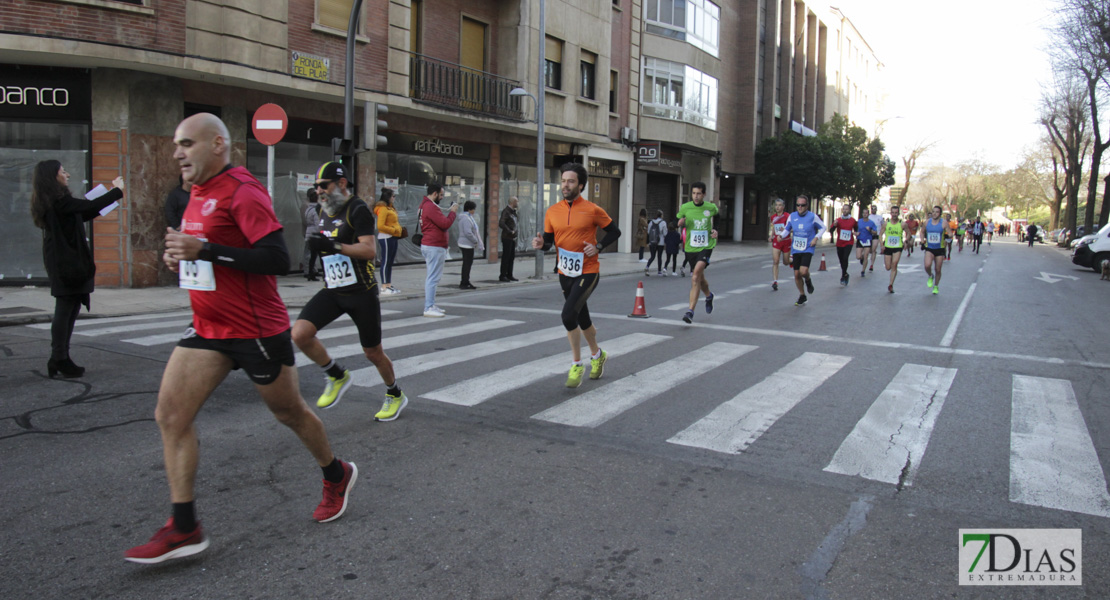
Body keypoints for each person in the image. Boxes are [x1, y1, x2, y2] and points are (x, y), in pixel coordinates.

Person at [126, 113, 355, 564]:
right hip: (208, 328)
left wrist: (207, 251)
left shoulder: (243, 190)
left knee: (289, 412)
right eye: (175, 144)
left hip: (256, 329)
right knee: (170, 416)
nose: (177, 153)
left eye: (186, 144)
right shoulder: (197, 192)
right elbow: (204, 250)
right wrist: (184, 257)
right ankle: (185, 527)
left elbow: (275, 258)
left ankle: (336, 473)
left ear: (217, 145)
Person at [294, 161, 407, 422]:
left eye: (324, 185)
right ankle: (336, 374)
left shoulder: (358, 210)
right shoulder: (325, 209)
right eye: (316, 186)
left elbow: (369, 251)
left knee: (373, 353)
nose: (318, 190)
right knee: (300, 334)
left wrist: (333, 246)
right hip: (333, 290)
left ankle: (395, 393)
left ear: (341, 184)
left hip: (361, 293)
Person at [30, 160, 125, 378]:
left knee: (70, 307)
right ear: (53, 177)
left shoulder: (58, 202)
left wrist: (108, 199)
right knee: (65, 309)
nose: (67, 175)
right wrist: (116, 191)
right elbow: (84, 208)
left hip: (66, 260)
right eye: (63, 171)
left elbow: (82, 214)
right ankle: (59, 358)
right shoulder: (56, 201)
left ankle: (61, 357)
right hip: (65, 262)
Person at [531, 163, 620, 388]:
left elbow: (614, 231)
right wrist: (541, 245)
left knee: (568, 316)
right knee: (582, 318)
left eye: (570, 181)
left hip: (588, 271)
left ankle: (577, 363)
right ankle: (597, 355)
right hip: (565, 272)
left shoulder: (592, 209)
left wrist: (598, 246)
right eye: (563, 181)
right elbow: (549, 242)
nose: (565, 185)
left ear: (580, 185)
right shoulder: (552, 211)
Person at [677, 183, 719, 323]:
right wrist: (679, 223)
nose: (696, 196)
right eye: (694, 193)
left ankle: (690, 311)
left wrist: (715, 229)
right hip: (690, 247)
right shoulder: (685, 207)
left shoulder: (710, 207)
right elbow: (675, 220)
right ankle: (708, 295)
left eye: (699, 193)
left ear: (704, 194)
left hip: (706, 245)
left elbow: (717, 216)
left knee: (695, 276)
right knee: (700, 278)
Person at [418, 183, 458, 318]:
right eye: (441, 195)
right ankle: (428, 307)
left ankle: (431, 304)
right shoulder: (430, 206)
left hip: (432, 245)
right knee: (433, 278)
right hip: (434, 245)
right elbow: (445, 223)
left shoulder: (425, 205)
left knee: (433, 277)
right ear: (434, 193)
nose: (441, 197)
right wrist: (453, 212)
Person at [779, 195, 826, 306]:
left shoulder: (812, 217)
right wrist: (781, 236)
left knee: (803, 271)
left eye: (802, 205)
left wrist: (816, 238)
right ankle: (802, 295)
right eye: (798, 205)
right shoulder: (792, 216)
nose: (800, 207)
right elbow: (787, 229)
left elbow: (823, 227)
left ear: (807, 206)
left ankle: (808, 280)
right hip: (796, 248)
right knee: (797, 275)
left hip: (808, 247)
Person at [374, 187, 402, 294]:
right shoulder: (383, 209)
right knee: (385, 262)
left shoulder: (391, 208)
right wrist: (393, 230)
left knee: (390, 262)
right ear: (388, 197)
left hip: (392, 236)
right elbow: (380, 225)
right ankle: (384, 286)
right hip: (386, 237)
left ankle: (388, 284)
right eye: (393, 196)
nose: (394, 198)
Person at [457, 200, 484, 289]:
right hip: (466, 244)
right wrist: (475, 240)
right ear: (469, 209)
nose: (474, 211)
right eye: (473, 209)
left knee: (467, 263)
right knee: (467, 263)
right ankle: (464, 282)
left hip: (466, 243)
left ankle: (466, 281)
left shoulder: (467, 217)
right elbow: (468, 232)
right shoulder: (466, 218)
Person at [920, 205, 947, 295]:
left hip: (939, 248)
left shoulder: (944, 223)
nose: (934, 213)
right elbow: (922, 231)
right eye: (933, 211)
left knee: (938, 269)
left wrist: (949, 236)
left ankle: (936, 286)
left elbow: (950, 233)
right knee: (927, 265)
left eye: (937, 212)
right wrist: (922, 240)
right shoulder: (927, 222)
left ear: (940, 214)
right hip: (929, 248)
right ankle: (930, 276)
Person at [831, 203, 857, 285]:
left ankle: (843, 275)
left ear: (849, 210)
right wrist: (834, 226)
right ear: (842, 210)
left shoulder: (853, 220)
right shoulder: (838, 220)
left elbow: (856, 228)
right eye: (844, 209)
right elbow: (830, 230)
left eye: (847, 209)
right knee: (841, 260)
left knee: (845, 258)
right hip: (839, 243)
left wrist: (856, 233)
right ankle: (845, 273)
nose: (845, 210)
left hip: (849, 242)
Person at [769, 198, 793, 290]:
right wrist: (771, 235)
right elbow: (774, 227)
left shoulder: (787, 216)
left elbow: (792, 229)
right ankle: (775, 281)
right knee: (775, 261)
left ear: (783, 207)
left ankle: (791, 260)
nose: (777, 207)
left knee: (786, 262)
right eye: (776, 205)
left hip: (786, 241)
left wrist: (786, 230)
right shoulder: (773, 217)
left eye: (779, 205)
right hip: (776, 241)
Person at [882, 208, 904, 293]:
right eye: (893, 213)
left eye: (896, 213)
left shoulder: (902, 224)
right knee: (888, 267)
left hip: (898, 247)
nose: (894, 214)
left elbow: (908, 233)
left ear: (898, 213)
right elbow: (880, 234)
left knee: (894, 264)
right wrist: (881, 245)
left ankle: (891, 285)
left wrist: (906, 241)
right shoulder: (886, 224)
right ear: (890, 213)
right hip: (888, 246)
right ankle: (892, 271)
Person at [498, 196, 519, 282]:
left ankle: (509, 274)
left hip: (513, 238)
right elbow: (501, 223)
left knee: (511, 257)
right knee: (506, 257)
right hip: (507, 237)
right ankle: (503, 275)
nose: (518, 203)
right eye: (516, 201)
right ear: (513, 202)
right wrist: (510, 231)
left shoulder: (513, 212)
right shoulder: (506, 211)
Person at [303, 188, 322, 281]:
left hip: (308, 233)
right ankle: (311, 273)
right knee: (317, 255)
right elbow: (318, 223)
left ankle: (310, 272)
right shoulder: (315, 210)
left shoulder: (308, 209)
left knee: (311, 255)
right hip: (315, 233)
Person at [855, 204, 878, 277]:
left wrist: (870, 230)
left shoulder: (871, 223)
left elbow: (875, 232)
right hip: (860, 240)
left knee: (866, 255)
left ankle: (863, 270)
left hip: (868, 240)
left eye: (866, 213)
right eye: (864, 213)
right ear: (862, 214)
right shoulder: (859, 221)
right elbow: (855, 229)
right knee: (858, 256)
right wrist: (855, 233)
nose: (865, 214)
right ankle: (861, 258)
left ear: (868, 214)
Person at [645, 210, 667, 276]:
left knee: (652, 256)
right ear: (661, 215)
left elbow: (648, 232)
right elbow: (665, 233)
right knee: (659, 256)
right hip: (660, 242)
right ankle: (659, 271)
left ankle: (647, 267)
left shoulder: (651, 222)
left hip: (652, 242)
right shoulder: (663, 222)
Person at [867, 205, 884, 273]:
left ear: (876, 209)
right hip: (868, 235)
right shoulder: (868, 217)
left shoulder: (880, 217)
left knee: (874, 249)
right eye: (872, 209)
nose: (873, 210)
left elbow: (883, 226)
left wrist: (882, 234)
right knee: (869, 250)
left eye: (875, 209)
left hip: (876, 235)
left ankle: (871, 265)